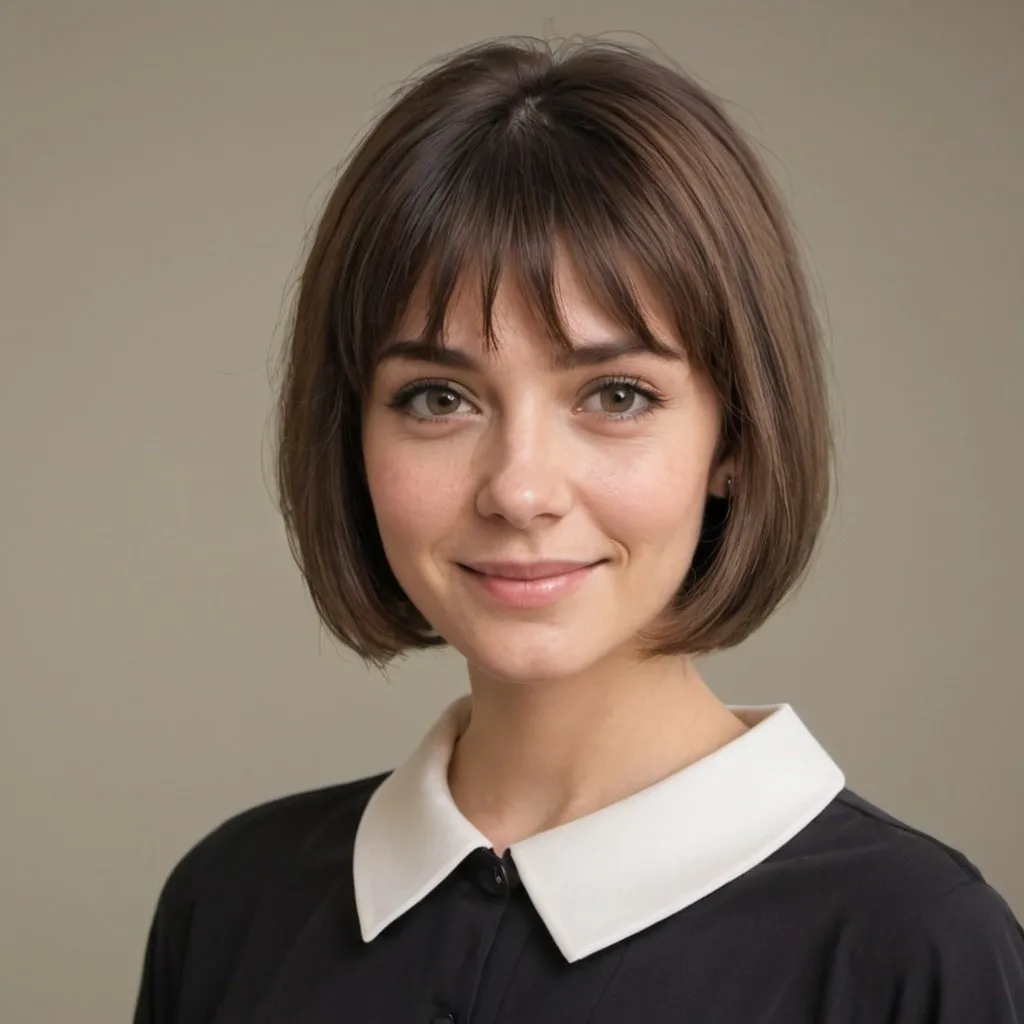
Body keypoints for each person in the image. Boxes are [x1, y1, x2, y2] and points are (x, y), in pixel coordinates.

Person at [132, 36, 1024, 1023]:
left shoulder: (915, 950)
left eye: (615, 393)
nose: (519, 490)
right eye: (437, 397)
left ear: (734, 433)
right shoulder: (231, 909)